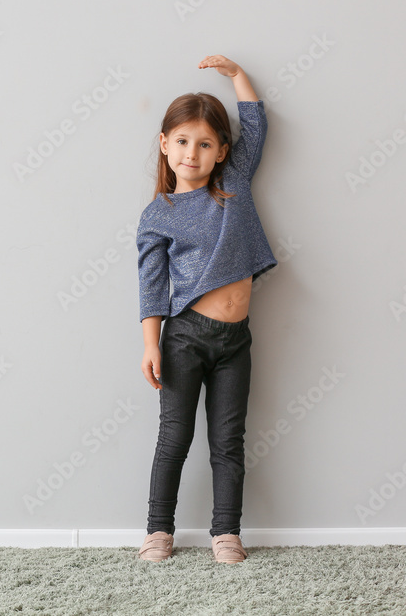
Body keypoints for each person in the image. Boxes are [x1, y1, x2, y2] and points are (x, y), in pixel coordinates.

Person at [134, 55, 277, 564]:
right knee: (174, 437)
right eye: (181, 141)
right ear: (164, 145)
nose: (191, 153)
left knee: (228, 441)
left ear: (221, 152)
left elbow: (256, 125)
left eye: (204, 144)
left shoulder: (234, 183)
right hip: (185, 338)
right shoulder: (158, 215)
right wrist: (151, 344)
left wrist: (237, 75)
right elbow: (152, 287)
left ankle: (226, 533)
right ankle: (158, 531)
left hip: (236, 341)